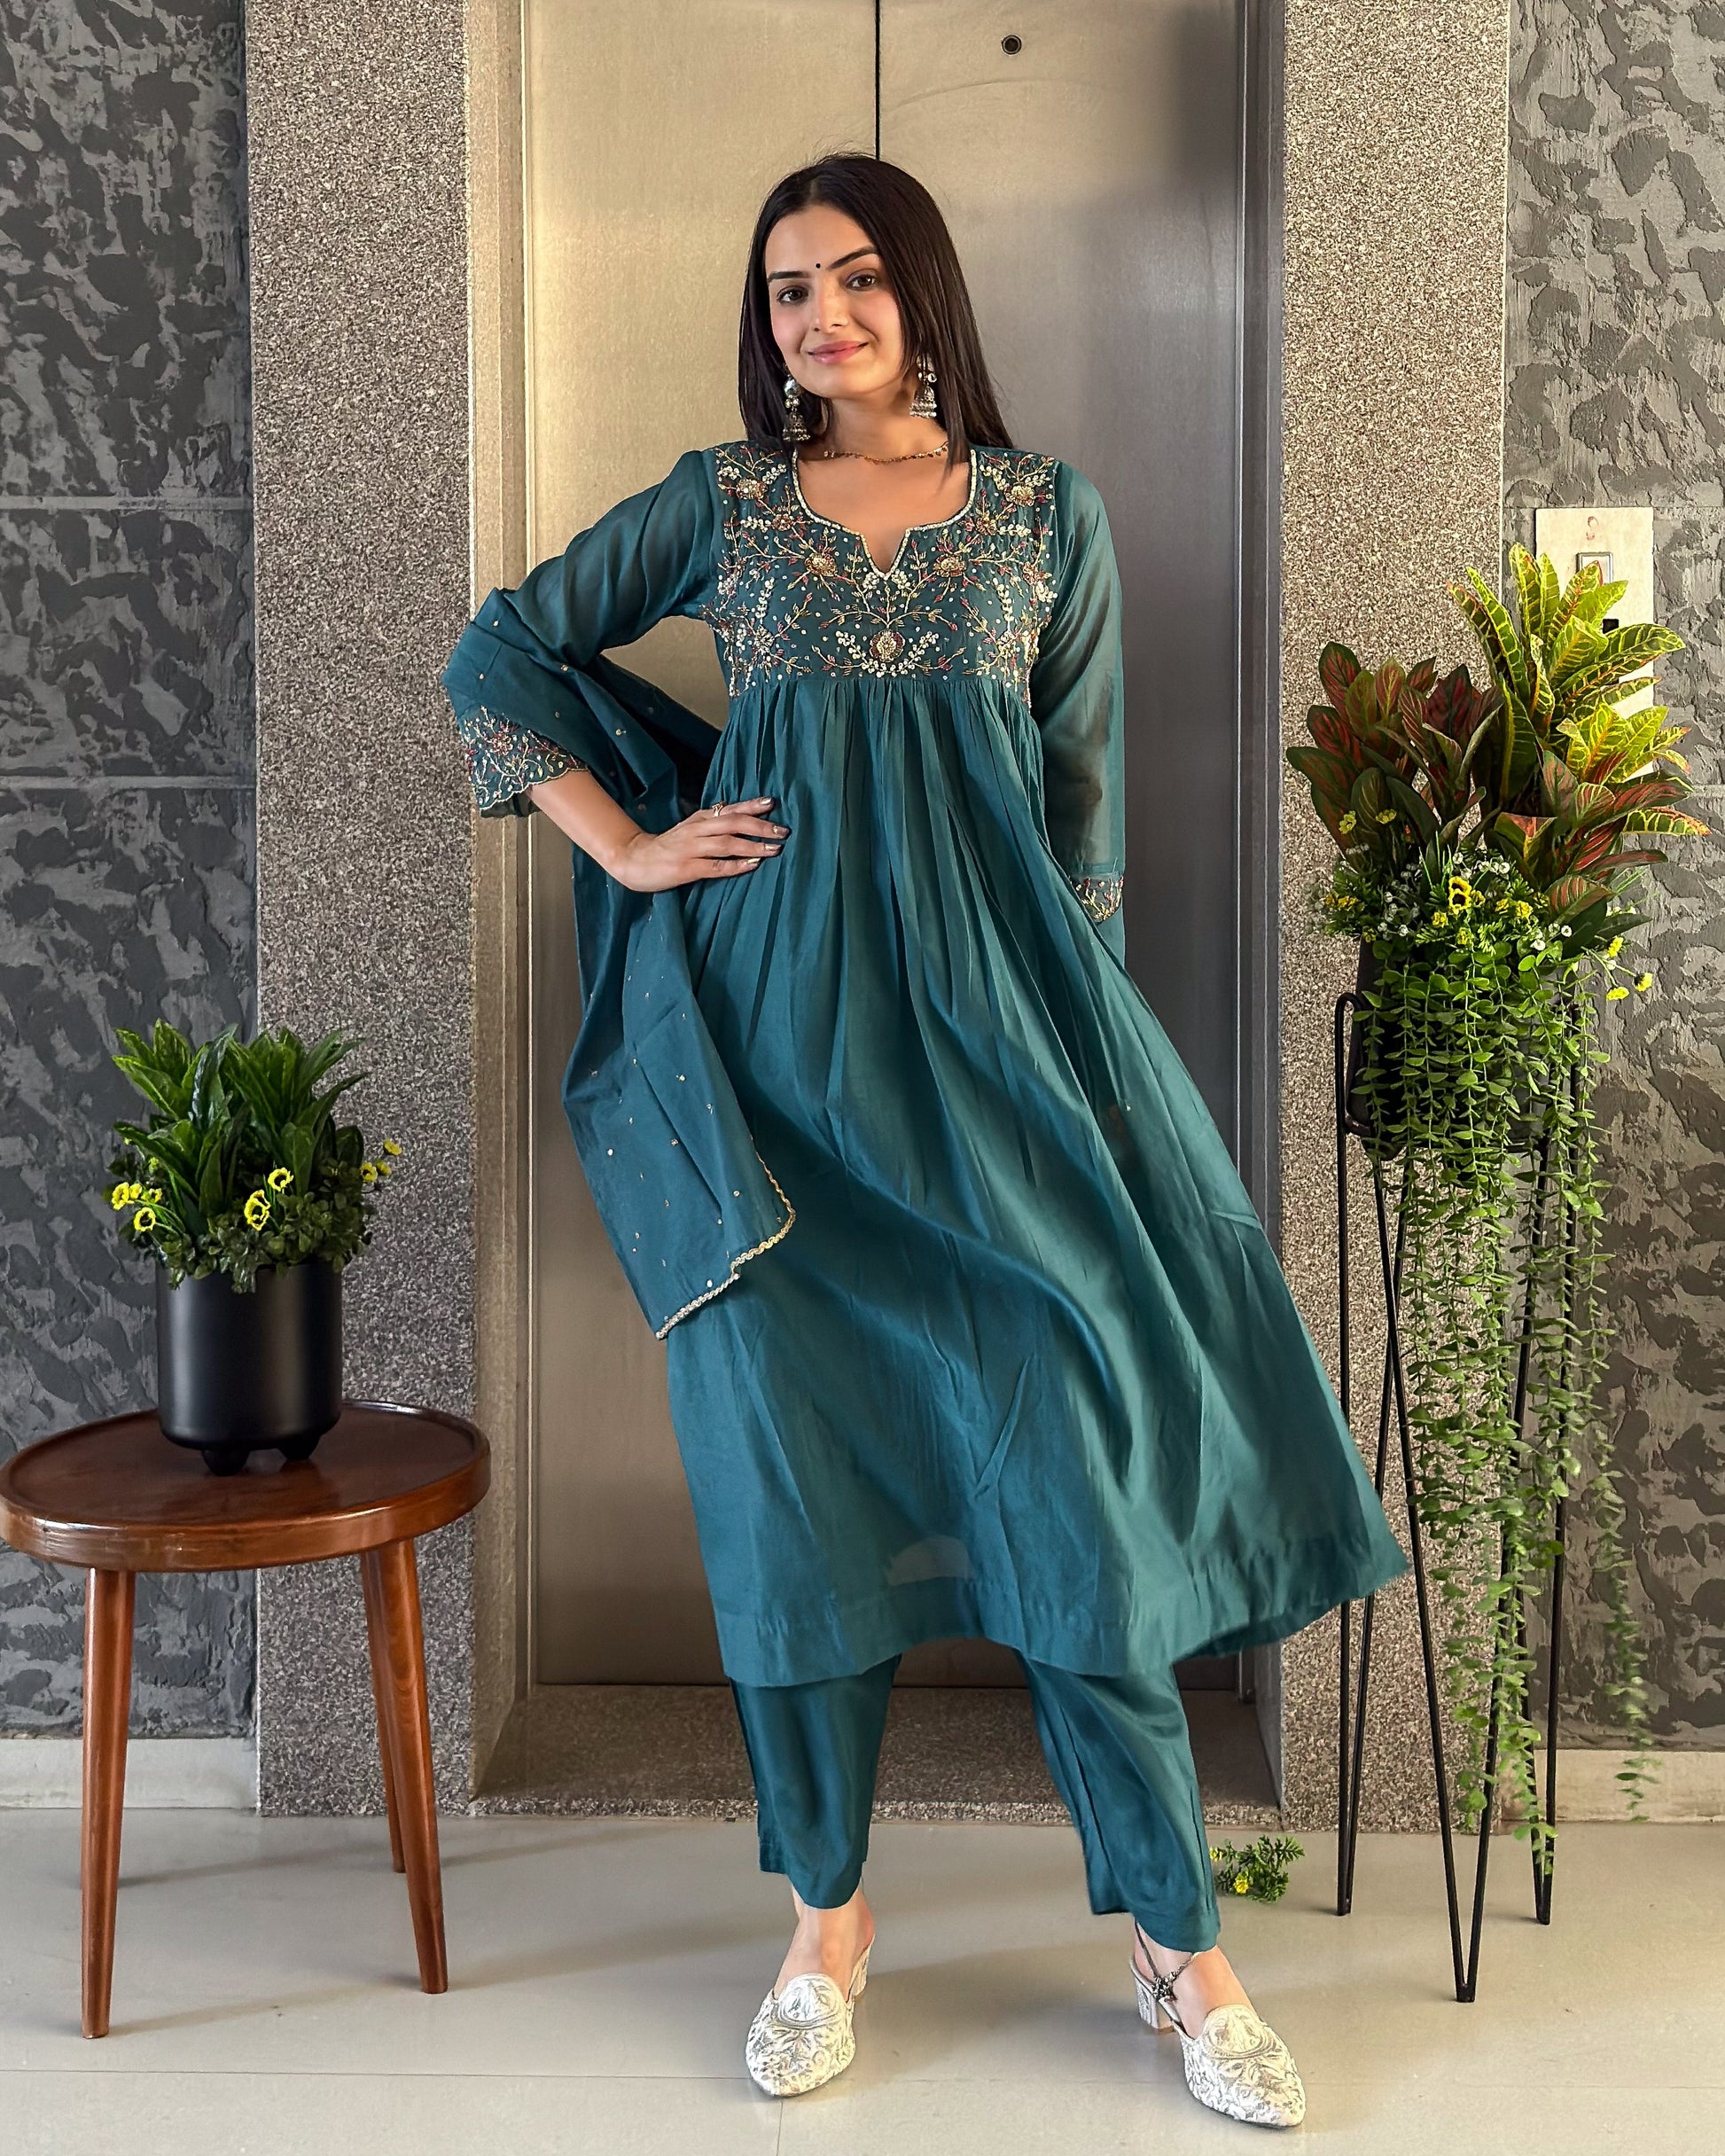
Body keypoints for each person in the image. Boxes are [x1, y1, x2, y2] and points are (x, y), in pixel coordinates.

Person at [443, 152, 1409, 2129]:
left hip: (997, 1067)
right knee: (792, 1508)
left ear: (925, 291)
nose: (822, 318)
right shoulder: (722, 507)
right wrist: (630, 846)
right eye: (788, 289)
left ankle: (1177, 1943)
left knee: (1076, 1486)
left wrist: (1093, 1084)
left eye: (858, 277)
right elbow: (500, 652)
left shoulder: (1049, 517)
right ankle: (825, 1921)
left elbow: (1082, 827)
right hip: (774, 1071)